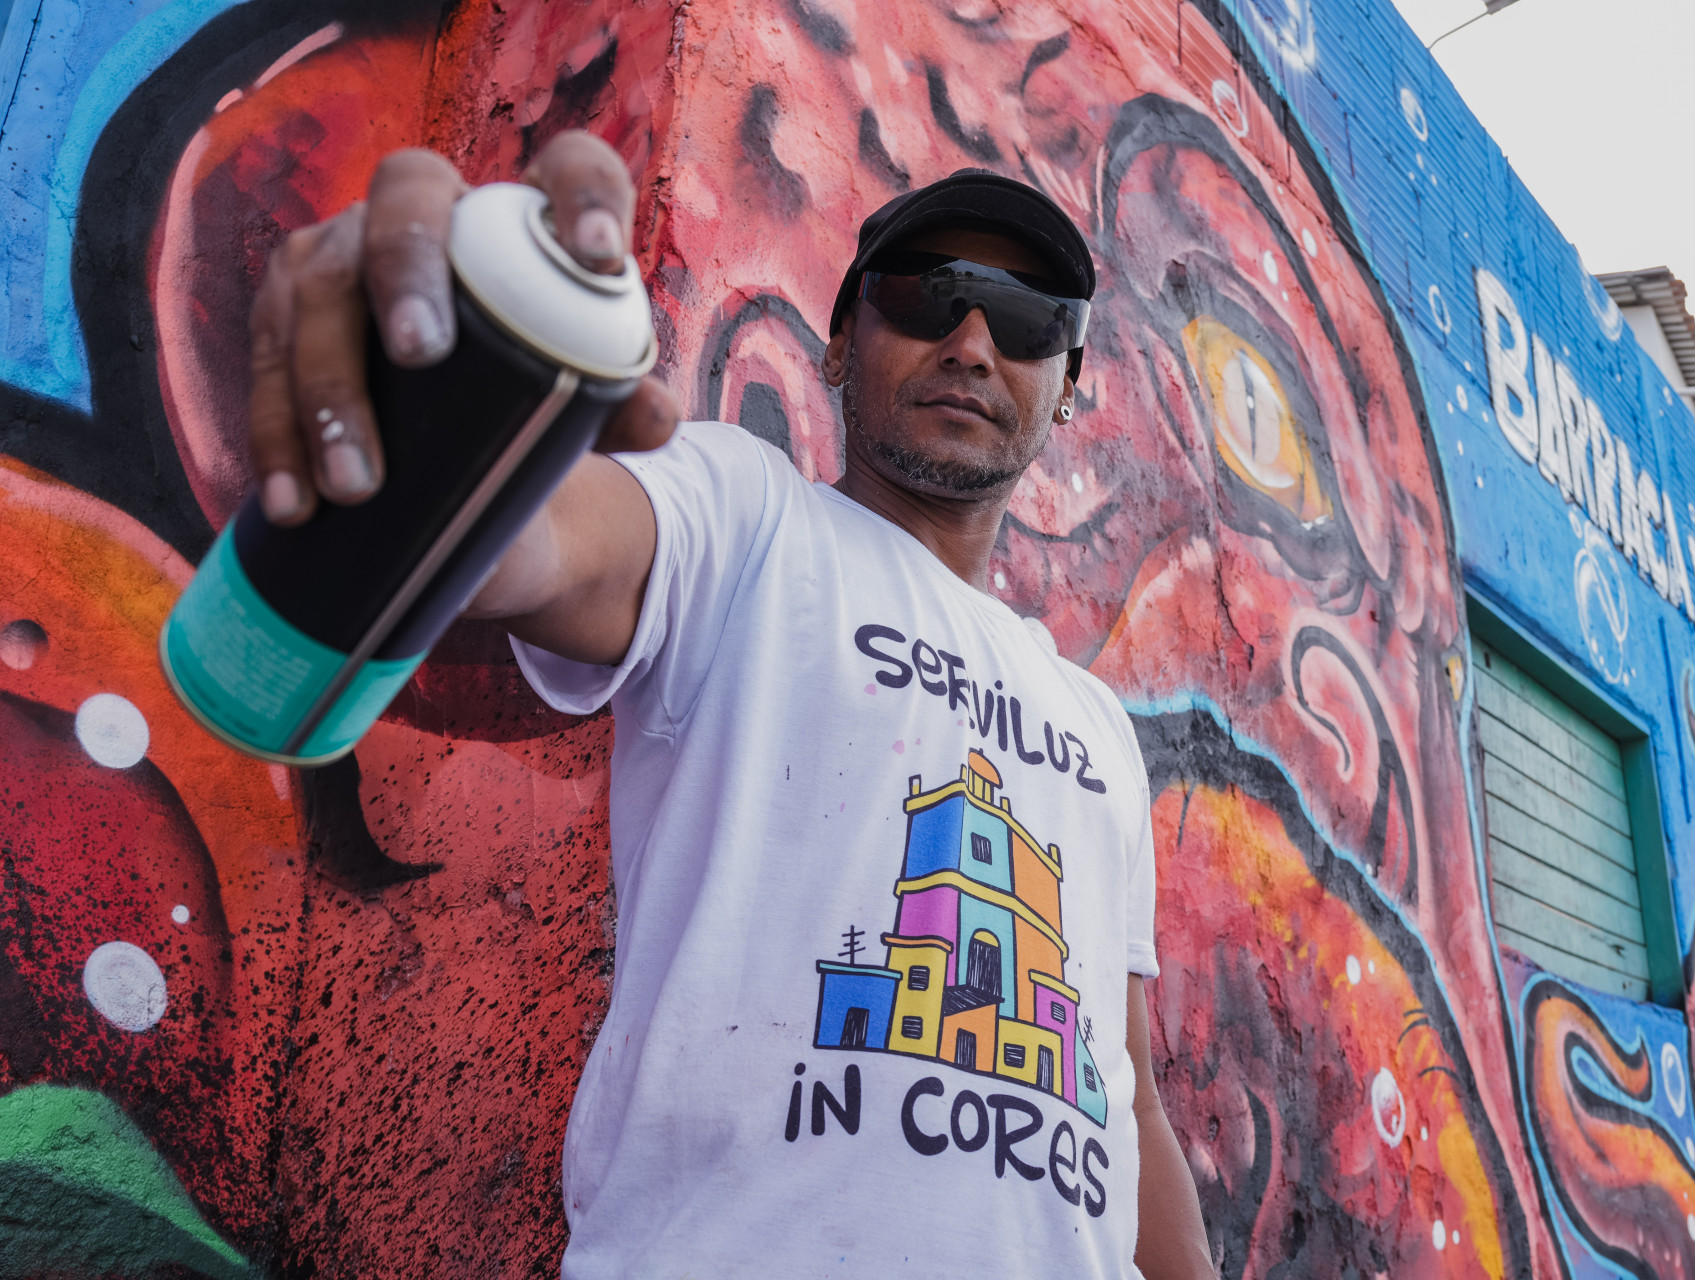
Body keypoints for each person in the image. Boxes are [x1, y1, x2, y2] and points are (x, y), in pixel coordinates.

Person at [246, 129, 1213, 1278]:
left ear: (1067, 392)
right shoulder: (749, 516)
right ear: (843, 345)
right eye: (926, 295)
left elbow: (1131, 1096)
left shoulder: (1100, 723)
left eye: (1027, 319)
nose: (968, 340)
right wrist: (448, 431)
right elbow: (544, 547)